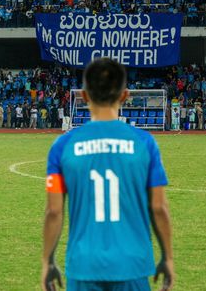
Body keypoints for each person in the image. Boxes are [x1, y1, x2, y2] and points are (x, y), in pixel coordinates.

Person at [42, 59, 174, 291]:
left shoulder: (63, 145)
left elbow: (54, 211)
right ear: (124, 96)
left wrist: (48, 261)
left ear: (83, 96)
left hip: (84, 265)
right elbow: (159, 207)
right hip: (132, 263)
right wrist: (168, 257)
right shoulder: (144, 143)